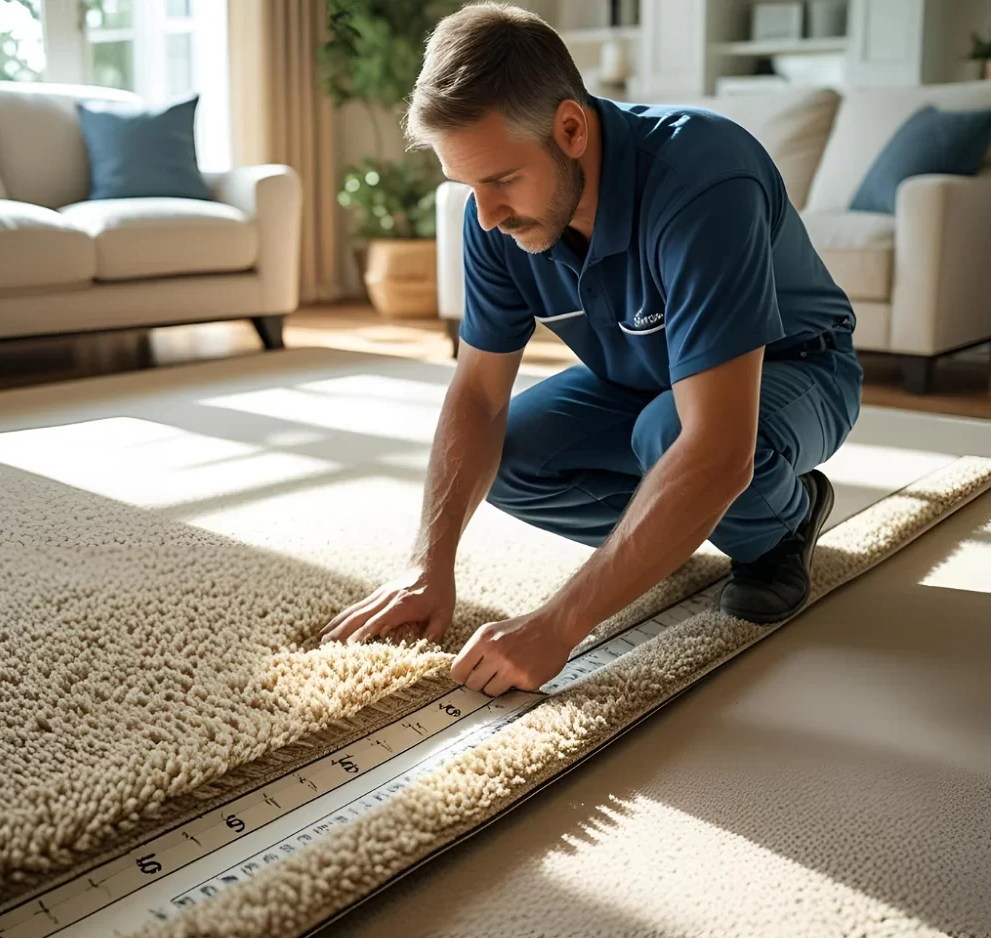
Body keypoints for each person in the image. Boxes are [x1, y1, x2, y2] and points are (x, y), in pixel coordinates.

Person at [321, 2, 863, 697]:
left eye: (501, 180)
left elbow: (716, 445)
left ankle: (782, 522)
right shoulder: (492, 221)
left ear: (570, 128)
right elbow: (478, 396)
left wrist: (559, 625)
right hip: (641, 381)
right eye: (466, 186)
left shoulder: (704, 178)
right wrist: (430, 565)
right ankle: (675, 521)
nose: (484, 215)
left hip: (796, 369)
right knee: (509, 457)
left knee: (673, 436)